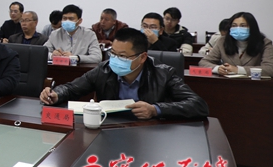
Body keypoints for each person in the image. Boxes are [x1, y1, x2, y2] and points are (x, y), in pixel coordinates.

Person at [40, 28, 209, 120]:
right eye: (113, 53)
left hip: (150, 134)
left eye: (122, 56)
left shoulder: (163, 73)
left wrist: (155, 110)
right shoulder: (104, 69)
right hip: (110, 130)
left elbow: (198, 105)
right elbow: (72, 88)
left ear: (142, 57)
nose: (115, 60)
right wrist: (56, 94)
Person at [198, 12, 273, 77]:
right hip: (228, 84)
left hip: (254, 85)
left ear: (252, 28)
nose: (238, 29)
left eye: (243, 26)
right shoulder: (222, 41)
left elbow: (270, 69)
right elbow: (203, 62)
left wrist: (238, 70)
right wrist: (217, 69)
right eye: (234, 25)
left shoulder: (265, 43)